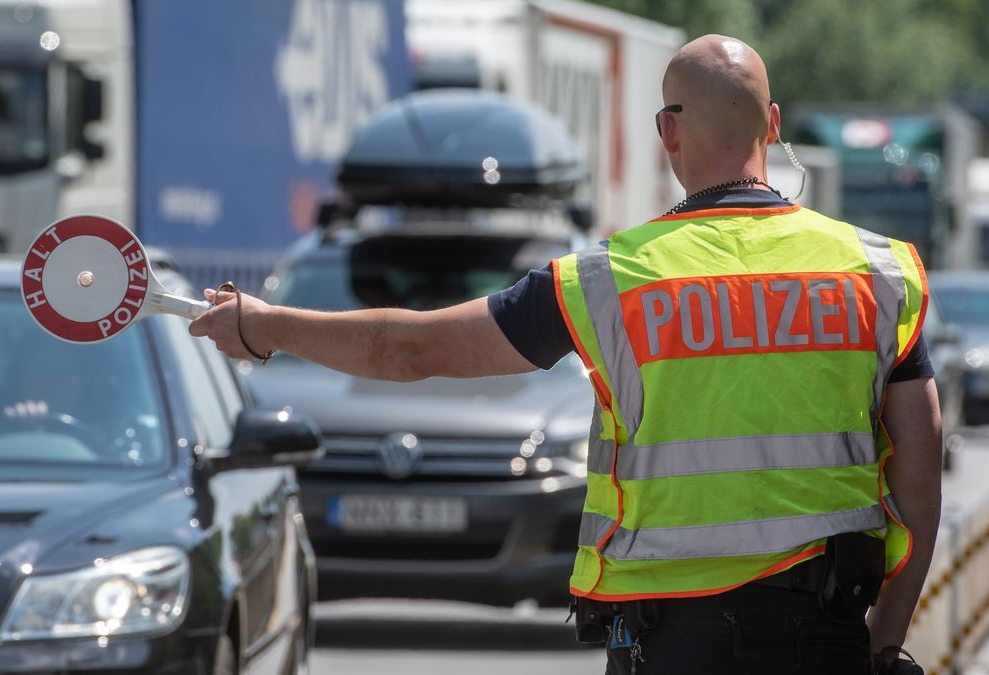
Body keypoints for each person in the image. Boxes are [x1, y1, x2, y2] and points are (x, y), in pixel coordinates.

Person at [191, 35, 941, 675]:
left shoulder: (609, 278)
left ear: (668, 133)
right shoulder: (876, 272)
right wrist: (886, 634)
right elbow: (920, 459)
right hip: (825, 630)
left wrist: (267, 324)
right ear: (772, 125)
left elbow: (410, 347)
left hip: (669, 637)